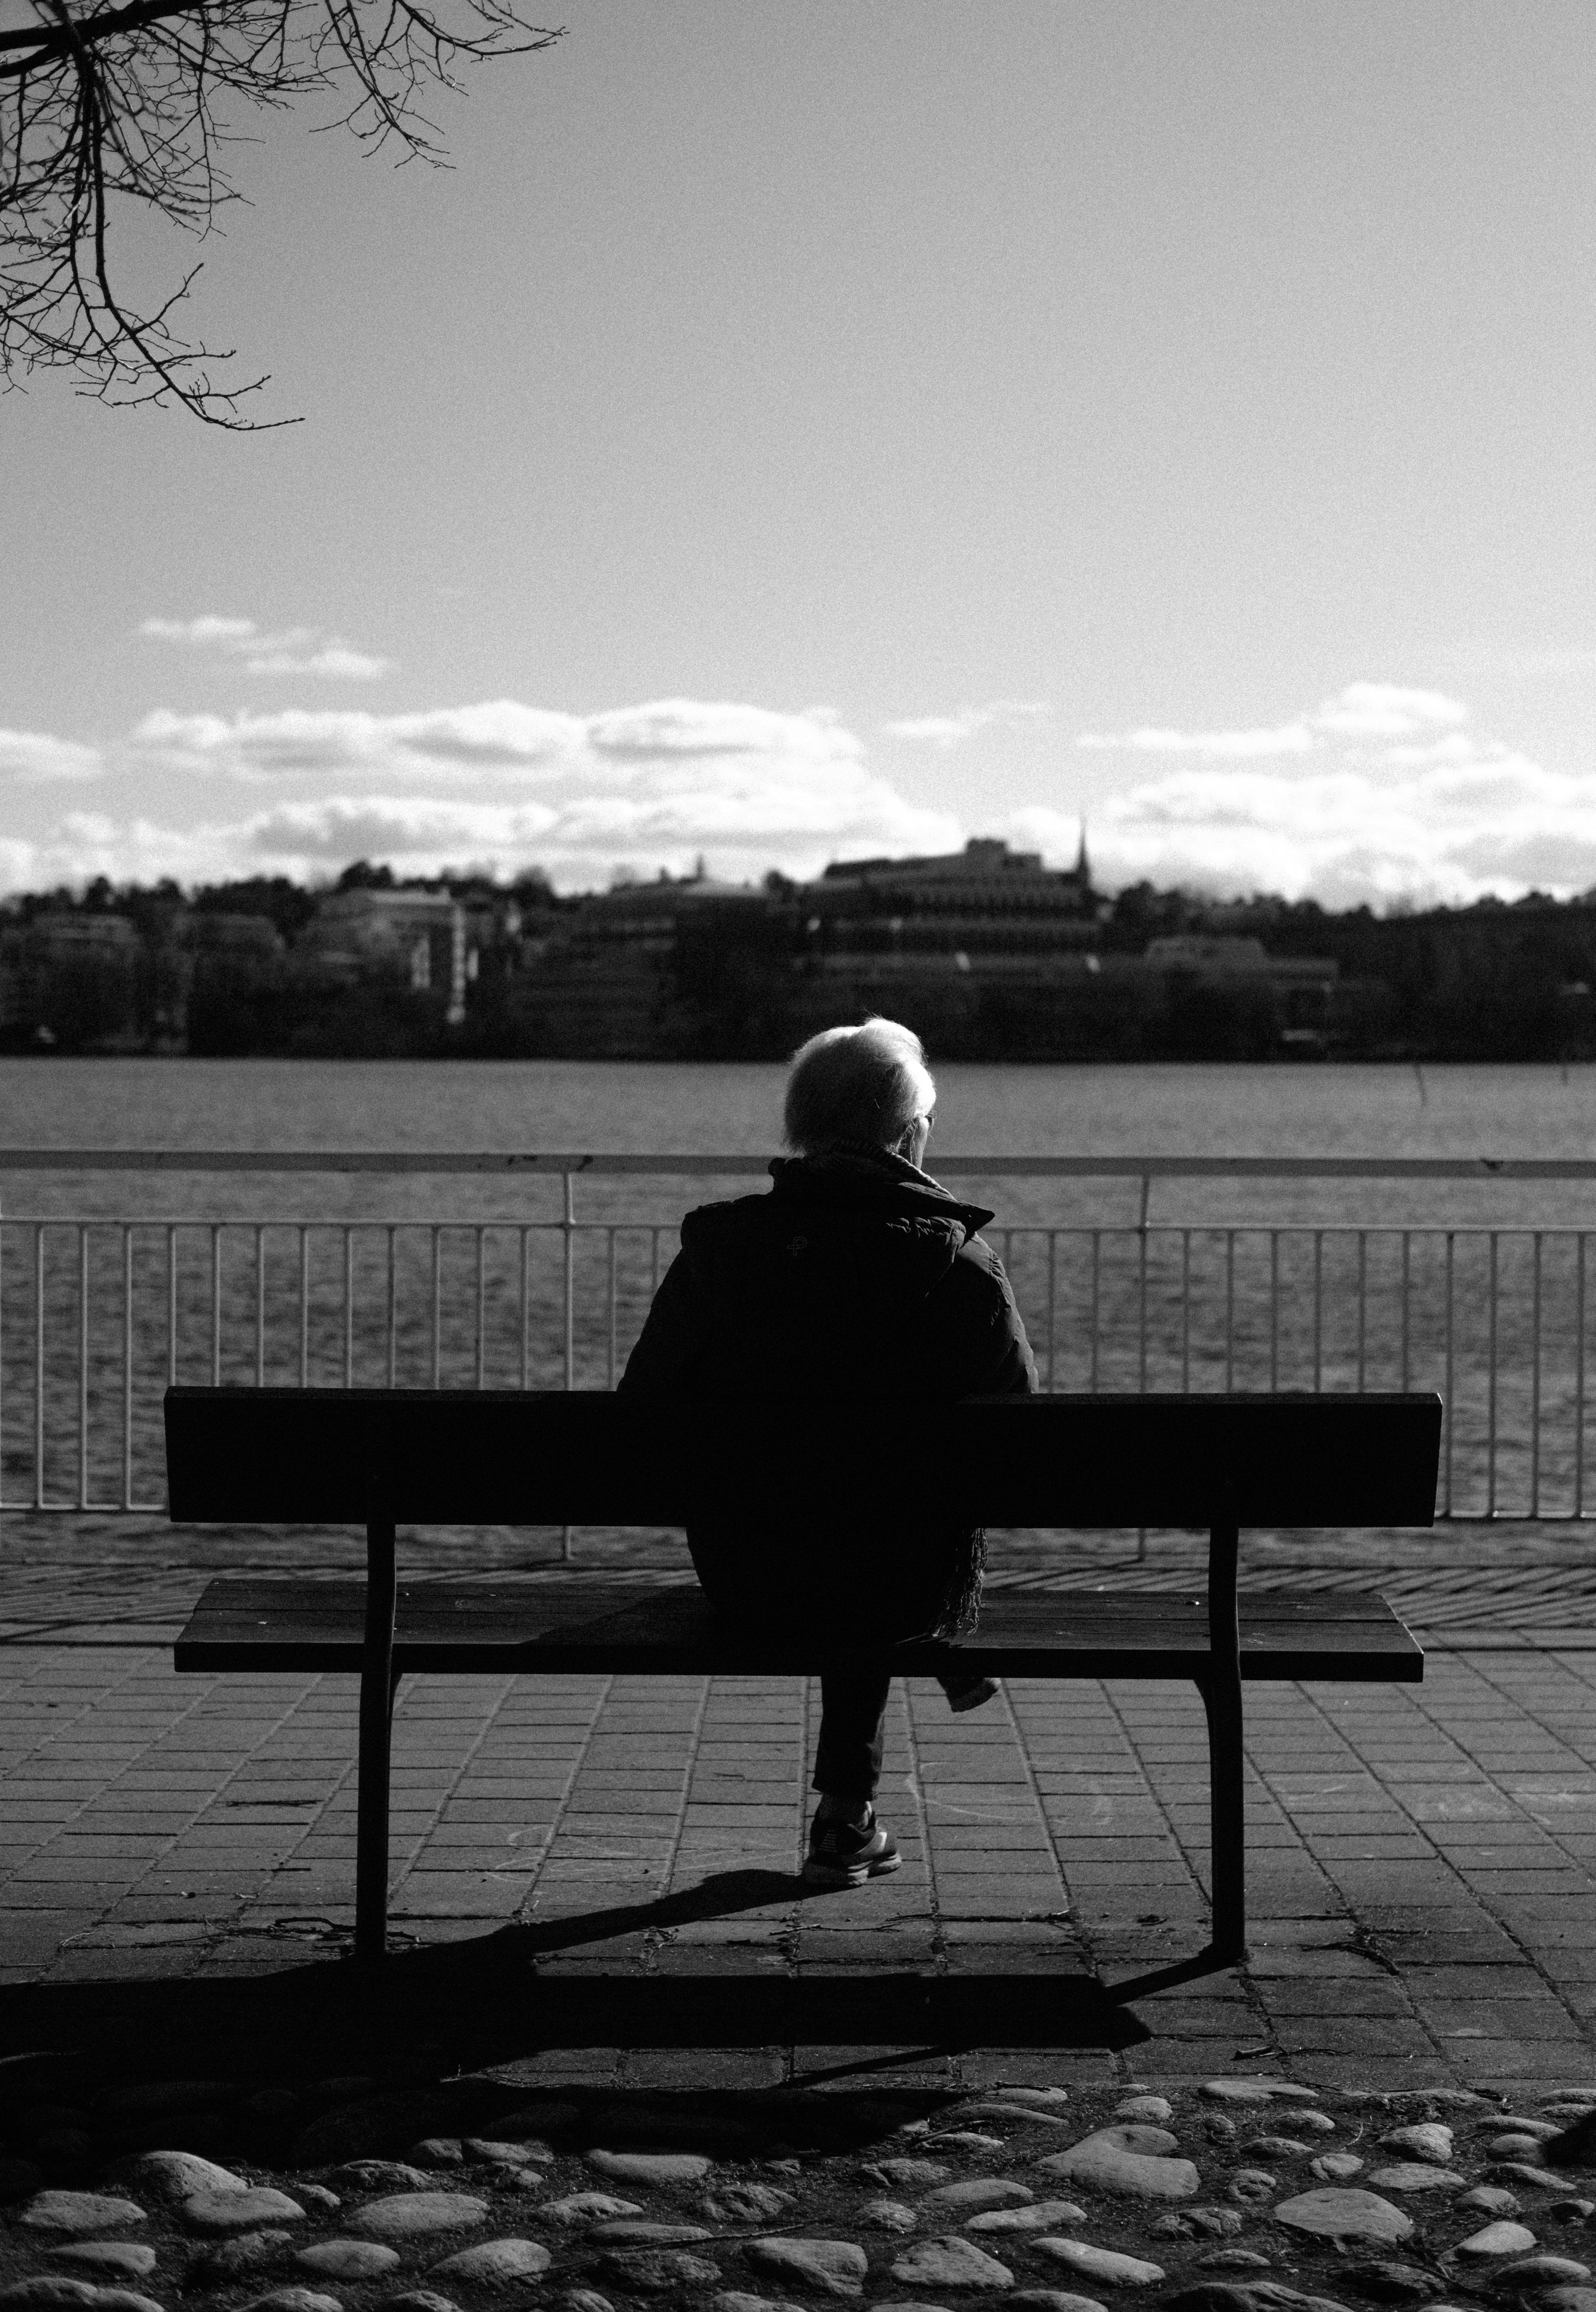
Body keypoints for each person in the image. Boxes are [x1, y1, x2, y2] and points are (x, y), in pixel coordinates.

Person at [618, 1017, 1037, 1887]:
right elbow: (1022, 1434)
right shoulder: (959, 1264)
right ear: (911, 1134)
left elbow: (642, 1408)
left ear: (802, 1130)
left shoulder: (719, 1249)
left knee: (834, 1519)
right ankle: (849, 1805)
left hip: (745, 1569)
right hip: (896, 1582)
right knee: (877, 1539)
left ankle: (860, 1795)